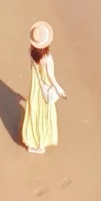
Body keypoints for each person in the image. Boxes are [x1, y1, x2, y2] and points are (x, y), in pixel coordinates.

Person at [21, 20, 66, 154]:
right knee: (43, 114)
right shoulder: (47, 58)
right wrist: (59, 89)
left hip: (35, 86)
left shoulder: (31, 53)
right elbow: (51, 77)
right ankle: (39, 146)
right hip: (44, 87)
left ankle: (31, 141)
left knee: (34, 112)